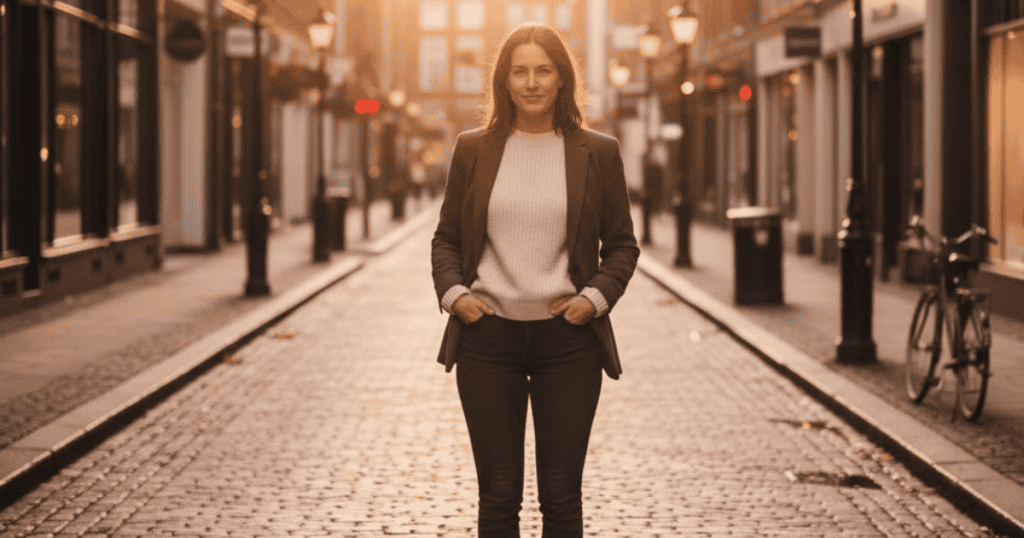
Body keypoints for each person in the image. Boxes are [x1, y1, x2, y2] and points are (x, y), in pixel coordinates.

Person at [430, 22, 640, 538]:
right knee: (498, 494)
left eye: (543, 70)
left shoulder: (599, 152)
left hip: (567, 341)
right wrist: (456, 295)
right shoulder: (472, 148)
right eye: (519, 71)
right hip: (487, 339)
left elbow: (621, 246)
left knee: (561, 494)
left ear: (562, 79)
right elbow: (447, 240)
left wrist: (593, 300)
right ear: (504, 81)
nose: (531, 82)